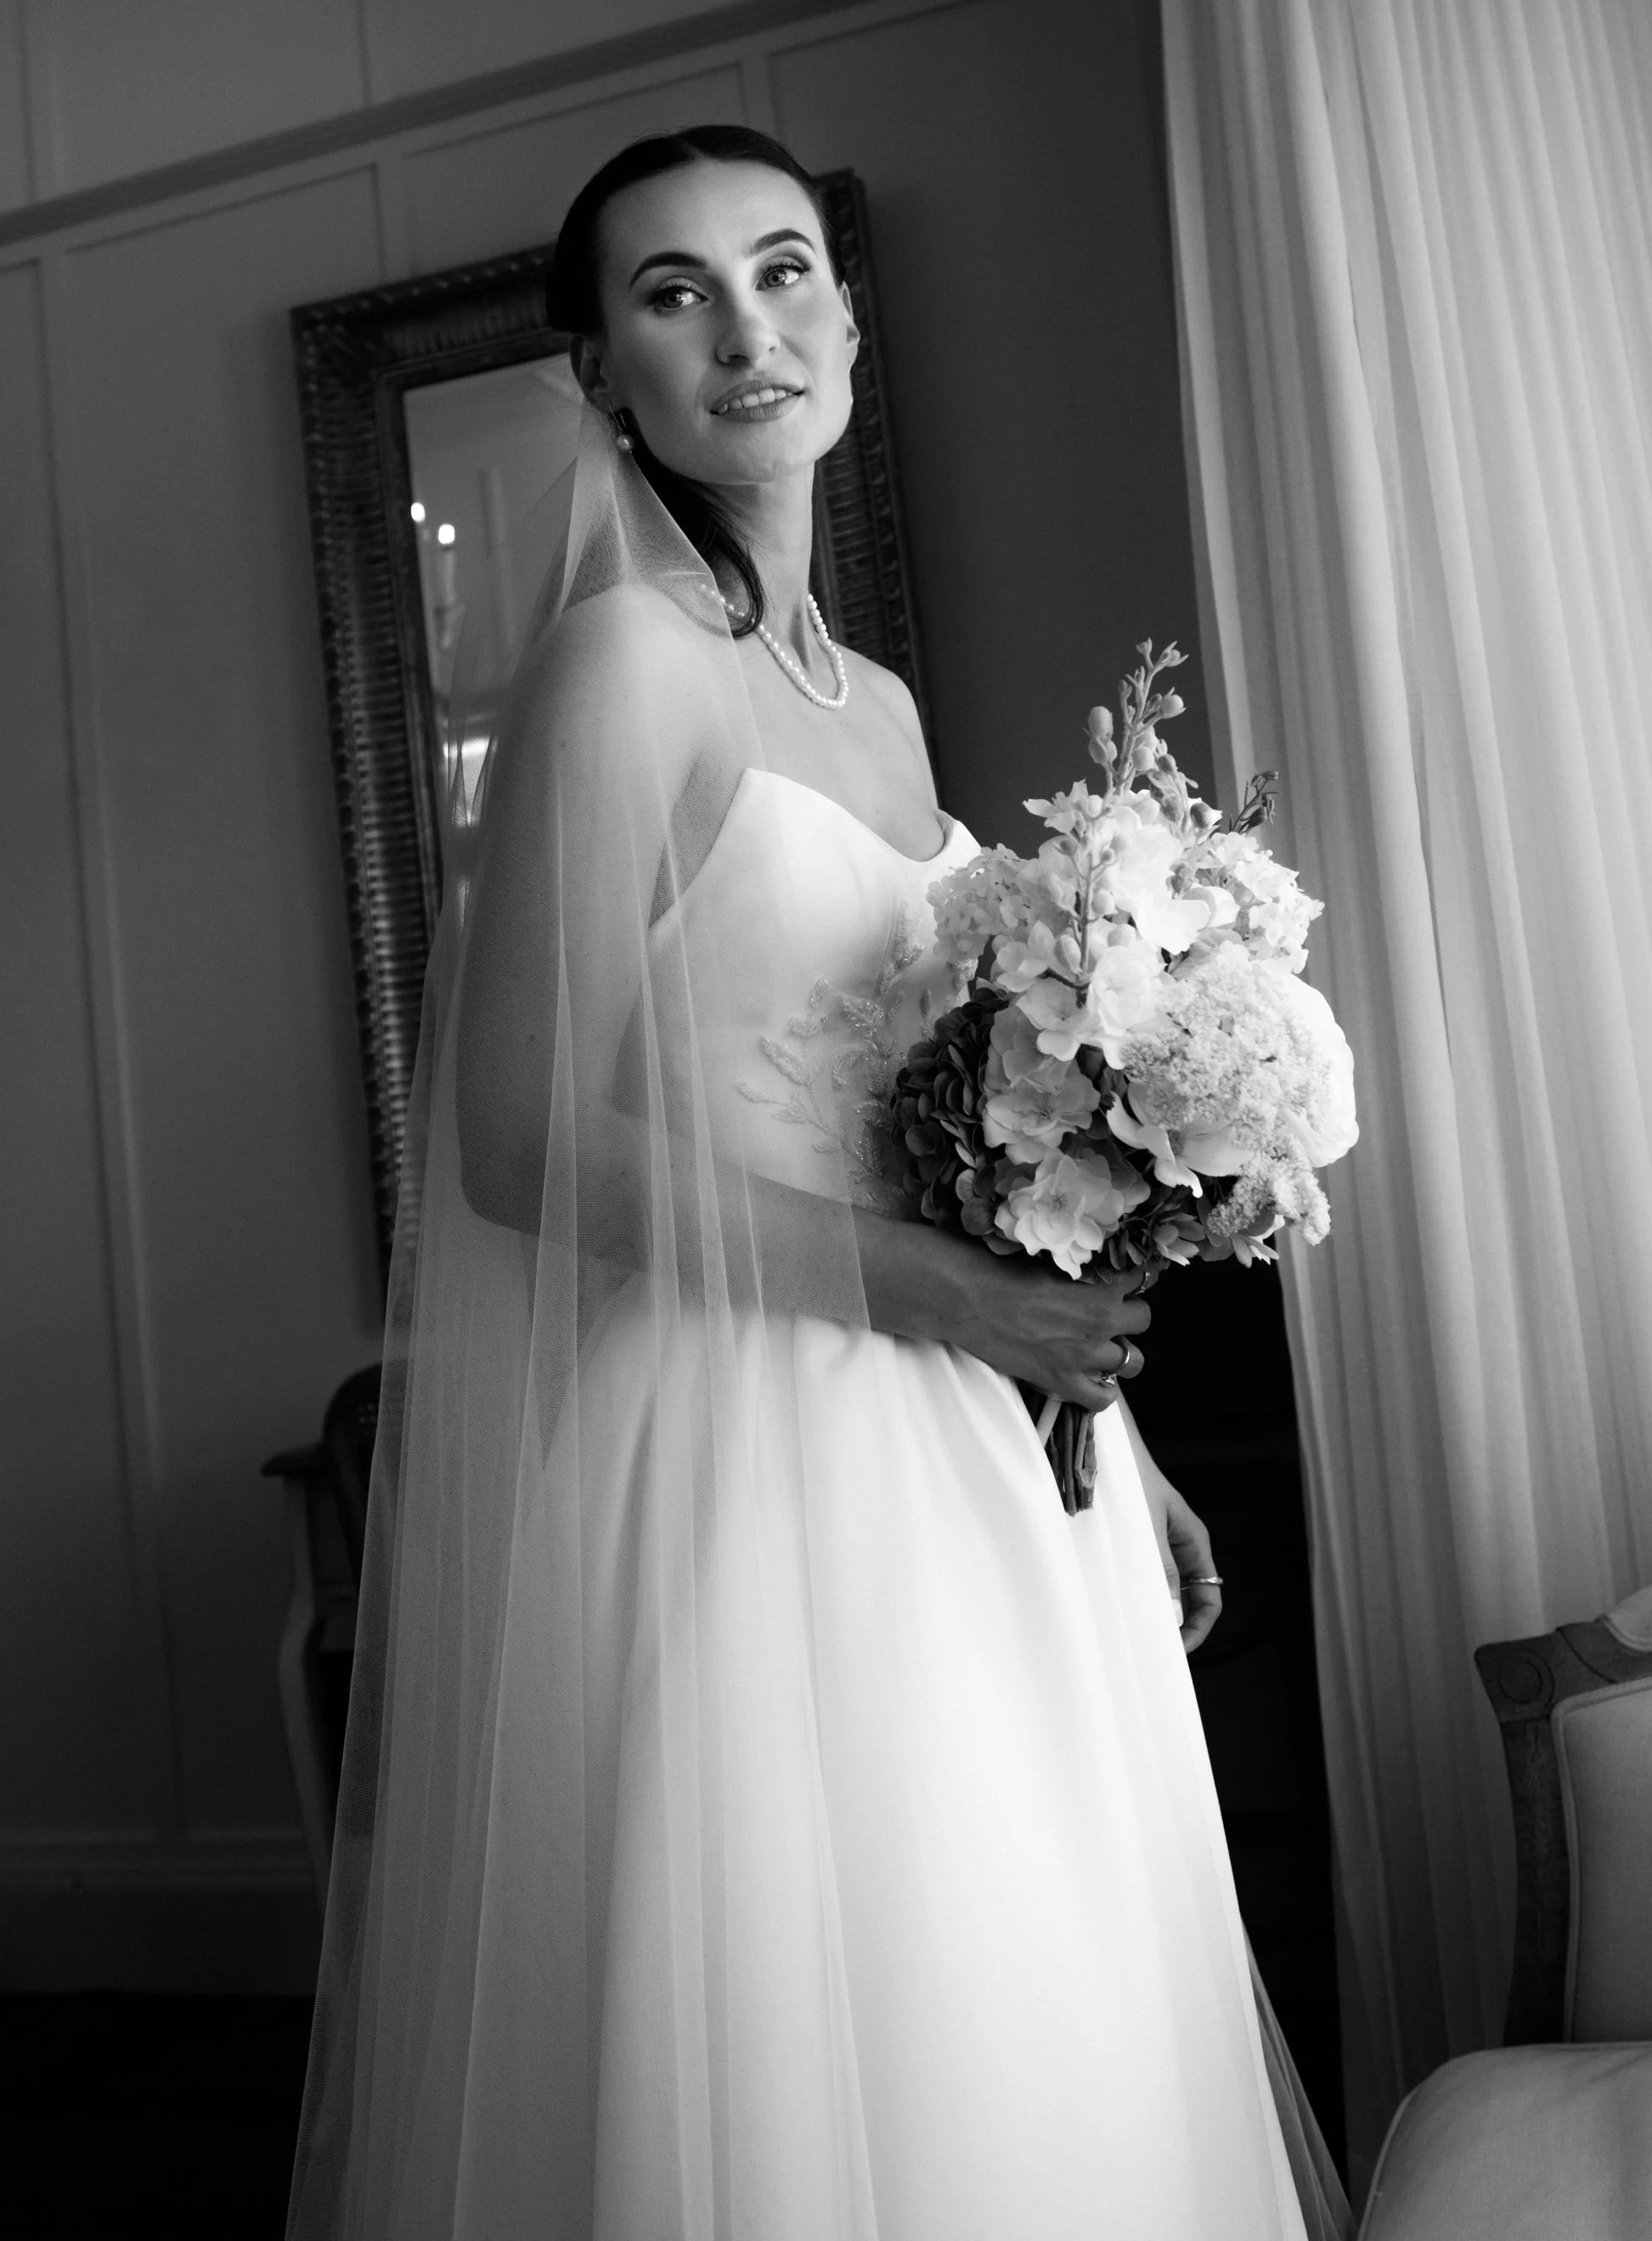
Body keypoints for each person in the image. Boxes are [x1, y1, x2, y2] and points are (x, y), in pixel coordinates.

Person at [288, 126, 1350, 2240]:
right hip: (753, 1465)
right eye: (672, 293)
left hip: (980, 1449)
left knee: (1041, 2006)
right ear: (599, 377)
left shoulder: (868, 704)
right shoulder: (619, 669)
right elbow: (514, 1143)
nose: (745, 328)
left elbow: (948, 1147)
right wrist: (945, 1301)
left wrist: (1107, 1426)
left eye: (782, 274)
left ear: (845, 322)